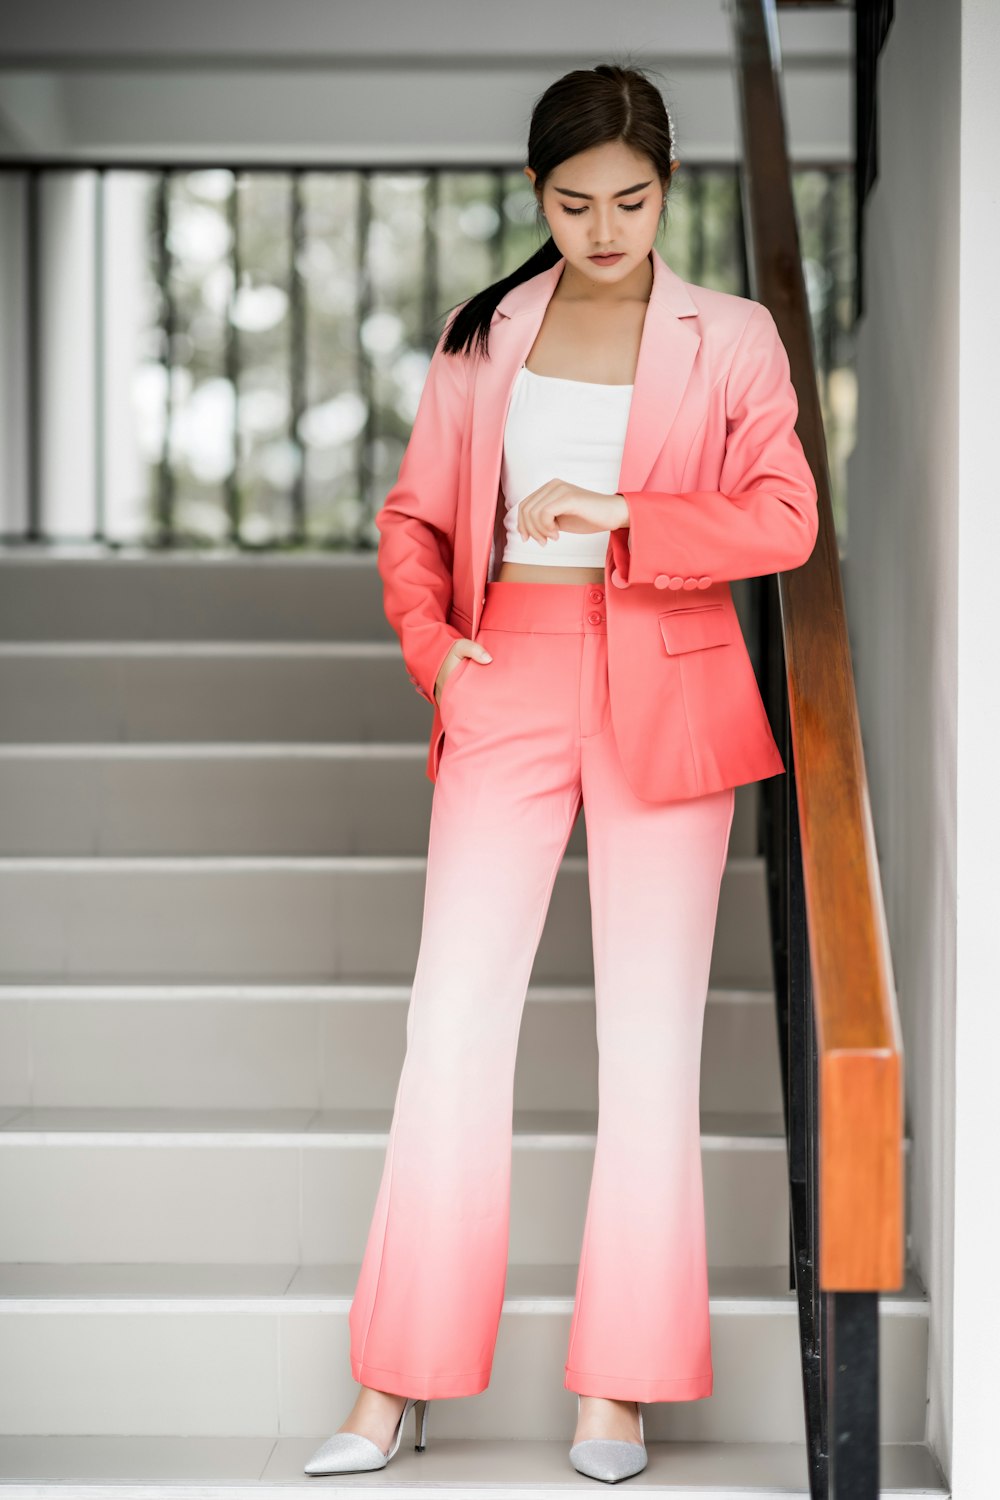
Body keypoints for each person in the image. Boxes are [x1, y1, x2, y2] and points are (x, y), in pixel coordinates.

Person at [304, 61, 818, 1483]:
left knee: (647, 1042)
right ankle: (395, 1384)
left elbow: (785, 514)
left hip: (667, 676)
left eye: (633, 201)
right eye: (575, 202)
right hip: (509, 666)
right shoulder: (487, 335)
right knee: (451, 1024)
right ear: (539, 196)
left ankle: (620, 1392)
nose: (605, 228)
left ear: (668, 188)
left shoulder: (732, 337)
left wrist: (626, 511)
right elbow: (415, 519)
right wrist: (437, 648)